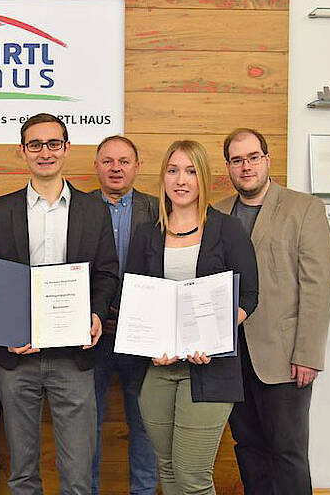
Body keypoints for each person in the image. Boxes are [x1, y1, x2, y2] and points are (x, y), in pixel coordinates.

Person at [0, 113, 119, 495]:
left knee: (78, 475)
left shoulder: (93, 209)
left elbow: (107, 273)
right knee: (22, 474)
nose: (45, 152)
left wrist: (96, 313)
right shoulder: (1, 210)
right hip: (18, 356)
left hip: (74, 356)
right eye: (36, 145)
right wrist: (7, 333)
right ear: (23, 151)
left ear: (67, 148)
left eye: (53, 143)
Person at [124, 139, 259, 495]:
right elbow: (134, 299)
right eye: (173, 171)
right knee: (167, 470)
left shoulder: (228, 230)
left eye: (190, 171)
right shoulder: (146, 234)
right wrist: (150, 345)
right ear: (163, 177)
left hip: (210, 369)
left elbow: (249, 296)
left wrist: (214, 335)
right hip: (157, 369)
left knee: (193, 478)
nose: (181, 180)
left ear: (203, 178)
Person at [215, 128, 330, 495]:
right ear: (228, 166)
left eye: (253, 157)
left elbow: (317, 287)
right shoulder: (216, 212)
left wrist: (308, 354)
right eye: (237, 160)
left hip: (283, 357)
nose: (246, 166)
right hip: (230, 355)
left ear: (267, 159)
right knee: (248, 449)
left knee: (287, 452)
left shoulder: (304, 209)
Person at [90, 135, 158, 495]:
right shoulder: (79, 207)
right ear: (96, 166)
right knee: (86, 426)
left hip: (143, 337)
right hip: (91, 335)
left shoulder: (158, 209)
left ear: (137, 167)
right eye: (108, 161)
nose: (116, 168)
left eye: (124, 161)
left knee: (145, 425)